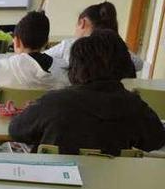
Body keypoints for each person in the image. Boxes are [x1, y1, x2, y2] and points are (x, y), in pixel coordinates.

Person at [9, 30, 165, 155]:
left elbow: (16, 130)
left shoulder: (55, 102)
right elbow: (157, 140)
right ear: (124, 64)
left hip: (54, 187)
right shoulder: (135, 106)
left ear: (75, 67)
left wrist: (34, 110)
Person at [0, 11, 69, 92]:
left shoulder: (3, 68)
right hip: (49, 117)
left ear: (16, 42)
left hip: (12, 118)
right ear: (46, 43)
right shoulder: (64, 71)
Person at [45, 1, 143, 73]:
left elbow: (35, 60)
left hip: (76, 98)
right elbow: (139, 64)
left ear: (82, 23)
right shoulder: (119, 49)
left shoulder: (69, 46)